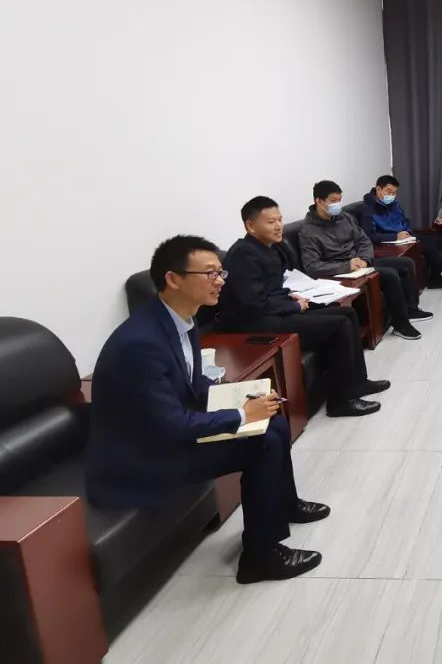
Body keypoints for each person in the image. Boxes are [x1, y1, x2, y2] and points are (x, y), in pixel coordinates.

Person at [86, 235, 328, 584]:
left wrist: (236, 396)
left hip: (163, 436)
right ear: (173, 279)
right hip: (142, 459)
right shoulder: (140, 344)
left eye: (221, 273)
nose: (220, 281)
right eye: (211, 274)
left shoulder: (180, 320)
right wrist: (241, 415)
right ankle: (260, 557)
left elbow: (192, 381)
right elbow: (171, 425)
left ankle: (284, 505)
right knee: (262, 441)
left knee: (272, 423)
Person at [217, 196, 390, 417]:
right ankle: (341, 401)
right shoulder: (243, 255)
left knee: (347, 313)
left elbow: (269, 290)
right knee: (338, 324)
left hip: (272, 311)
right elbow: (253, 304)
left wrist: (290, 296)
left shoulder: (266, 248)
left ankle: (358, 383)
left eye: (280, 220)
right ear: (251, 226)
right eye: (271, 222)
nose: (279, 226)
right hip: (255, 323)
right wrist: (294, 307)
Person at [298, 180, 430, 341]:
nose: (337, 205)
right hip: (340, 272)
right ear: (318, 201)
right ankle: (400, 324)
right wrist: (346, 266)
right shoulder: (308, 231)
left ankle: (411, 310)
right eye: (333, 201)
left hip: (360, 263)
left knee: (406, 263)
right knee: (390, 274)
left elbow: (364, 240)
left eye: (339, 200)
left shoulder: (344, 218)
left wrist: (364, 259)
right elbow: (312, 266)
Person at [360, 174, 442, 292]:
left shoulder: (393, 204)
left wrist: (407, 231)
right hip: (389, 243)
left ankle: (435, 279)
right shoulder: (367, 210)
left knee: (440, 241)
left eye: (394, 193)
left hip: (406, 237)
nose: (391, 196)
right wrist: (395, 236)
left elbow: (404, 221)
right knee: (429, 248)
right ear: (378, 189)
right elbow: (370, 236)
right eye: (388, 192)